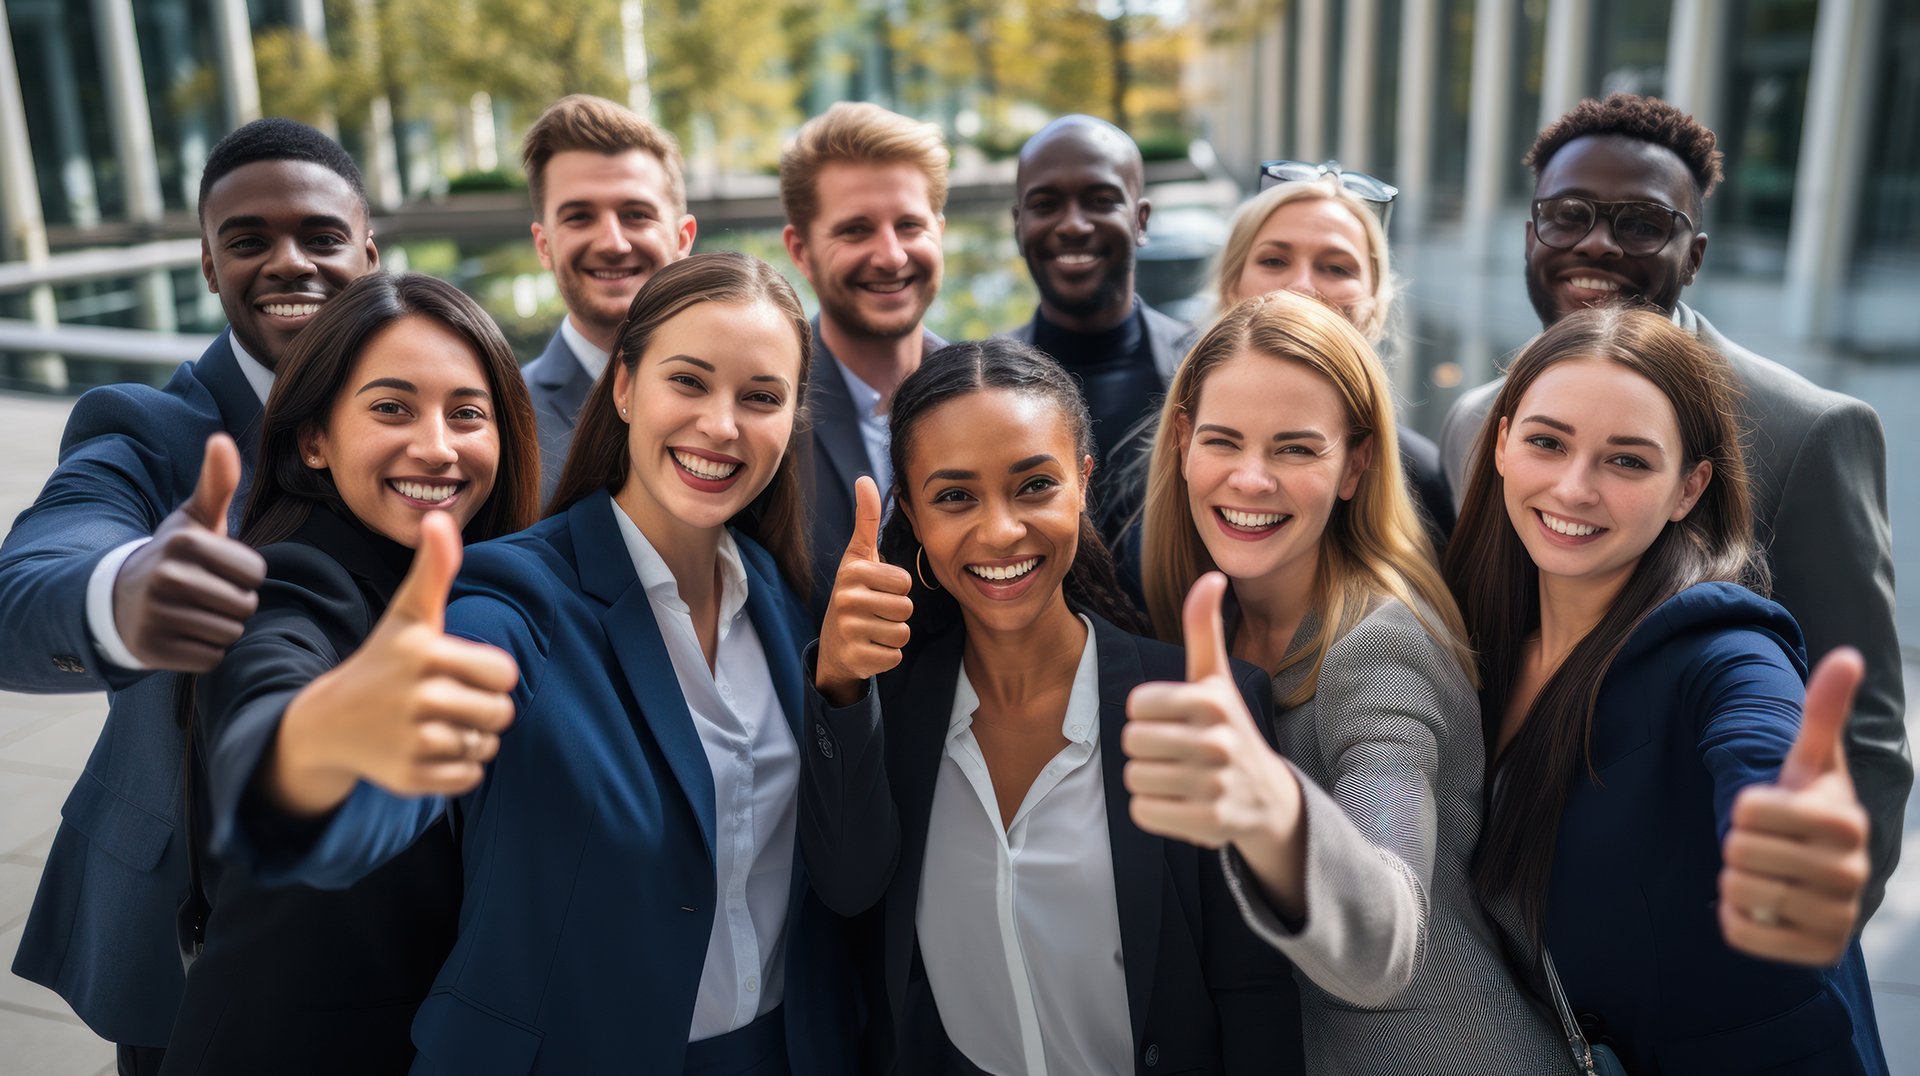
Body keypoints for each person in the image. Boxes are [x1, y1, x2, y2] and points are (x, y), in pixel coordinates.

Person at [221, 252, 855, 1075]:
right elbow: (385, 801)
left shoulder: (778, 595)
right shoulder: (510, 600)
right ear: (624, 387)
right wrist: (323, 760)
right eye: (689, 382)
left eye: (761, 397)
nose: (722, 425)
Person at [1437, 94, 1907, 917]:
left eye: (1642, 224)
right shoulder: (1476, 422)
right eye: (1568, 215)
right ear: (1530, 237)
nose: (1596, 243)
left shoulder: (1805, 430)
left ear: (1693, 255)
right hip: (1501, 910)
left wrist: (1803, 926)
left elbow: (1861, 734)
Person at [803, 338, 1303, 1075]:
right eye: (954, 496)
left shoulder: (1199, 704)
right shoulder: (893, 707)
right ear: (910, 511)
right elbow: (847, 888)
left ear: (1082, 483)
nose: (1001, 530)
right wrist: (843, 690)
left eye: (1034, 485)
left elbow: (1254, 991)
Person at [0, 118, 379, 1072]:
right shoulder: (144, 428)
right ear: (209, 267)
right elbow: (26, 587)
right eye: (248, 240)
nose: (288, 262)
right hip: (195, 930)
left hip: (403, 910)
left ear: (368, 254)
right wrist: (123, 595)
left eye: (321, 237)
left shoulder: (439, 417)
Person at [1122, 290, 1567, 1072]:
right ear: (1183, 443)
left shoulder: (1380, 644)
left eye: (1296, 449)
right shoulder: (1208, 626)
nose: (1251, 479)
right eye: (1224, 441)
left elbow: (1385, 934)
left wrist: (1273, 806)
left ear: (1356, 464)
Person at [1445, 305, 1883, 1073]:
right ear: (1504, 443)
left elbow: (1761, 740)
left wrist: (1787, 841)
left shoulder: (1723, 648)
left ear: (1690, 489)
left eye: (1628, 462)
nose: (1575, 488)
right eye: (1548, 442)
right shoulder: (1475, 641)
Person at [163, 272, 540, 1074]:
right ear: (314, 440)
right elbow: (267, 701)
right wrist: (315, 743)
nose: (437, 446)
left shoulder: (489, 581)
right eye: (391, 408)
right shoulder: (289, 581)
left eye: (467, 414)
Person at [1209, 175, 1453, 544]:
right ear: (1231, 286)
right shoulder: (1169, 456)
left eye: (1336, 268)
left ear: (1375, 303)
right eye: (1274, 260)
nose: (1303, 286)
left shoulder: (1422, 478)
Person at [779, 102, 949, 618]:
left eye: (910, 225)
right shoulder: (763, 410)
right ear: (800, 250)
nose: (891, 255)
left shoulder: (991, 399)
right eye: (856, 230)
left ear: (939, 231)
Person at [1002, 115, 1187, 539]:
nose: (1073, 225)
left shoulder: (1204, 368)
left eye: (1101, 200)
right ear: (1018, 225)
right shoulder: (979, 386)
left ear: (1140, 221)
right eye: (1045, 205)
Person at [518, 94, 697, 503]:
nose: (612, 243)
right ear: (543, 245)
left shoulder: (752, 406)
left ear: (682, 238)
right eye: (579, 216)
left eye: (636, 214)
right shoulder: (503, 420)